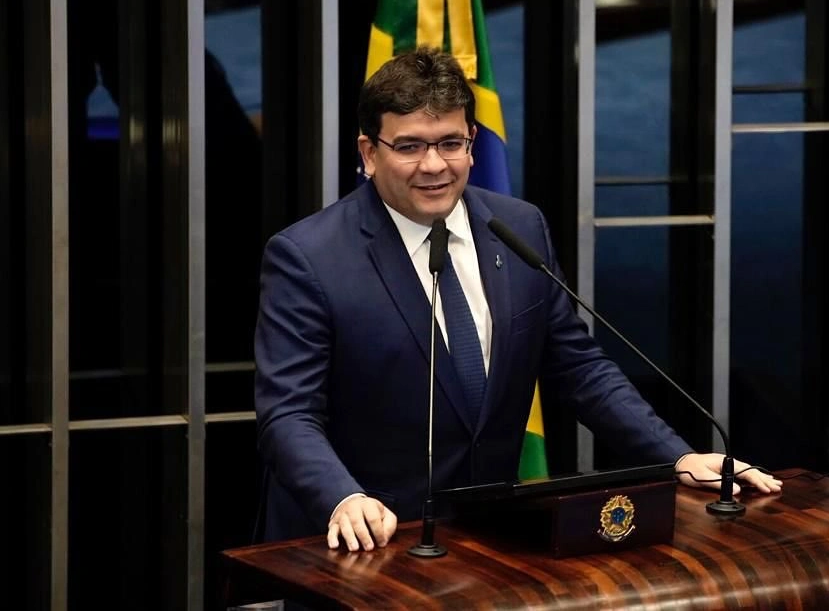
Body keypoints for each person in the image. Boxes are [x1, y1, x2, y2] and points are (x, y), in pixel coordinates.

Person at [253, 47, 782, 553]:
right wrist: (343, 498)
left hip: (492, 535)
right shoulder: (309, 257)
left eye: (450, 143)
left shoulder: (518, 227)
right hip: (371, 540)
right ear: (370, 152)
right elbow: (289, 413)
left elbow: (579, 370)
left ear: (472, 142)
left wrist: (678, 457)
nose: (434, 165)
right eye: (410, 146)